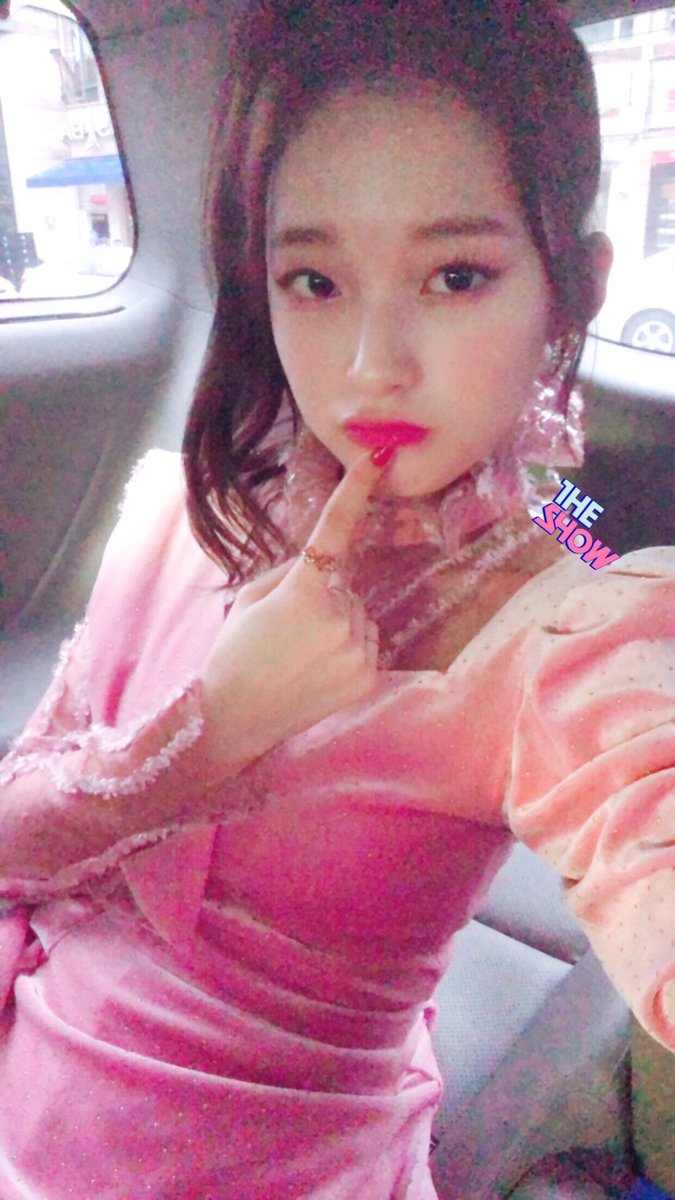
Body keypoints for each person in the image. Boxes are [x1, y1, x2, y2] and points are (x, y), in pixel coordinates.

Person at [0, 2, 673, 1197]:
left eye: (455, 276)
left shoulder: (551, 637)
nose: (372, 365)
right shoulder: (180, 508)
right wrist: (208, 733)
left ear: (572, 291)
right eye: (314, 279)